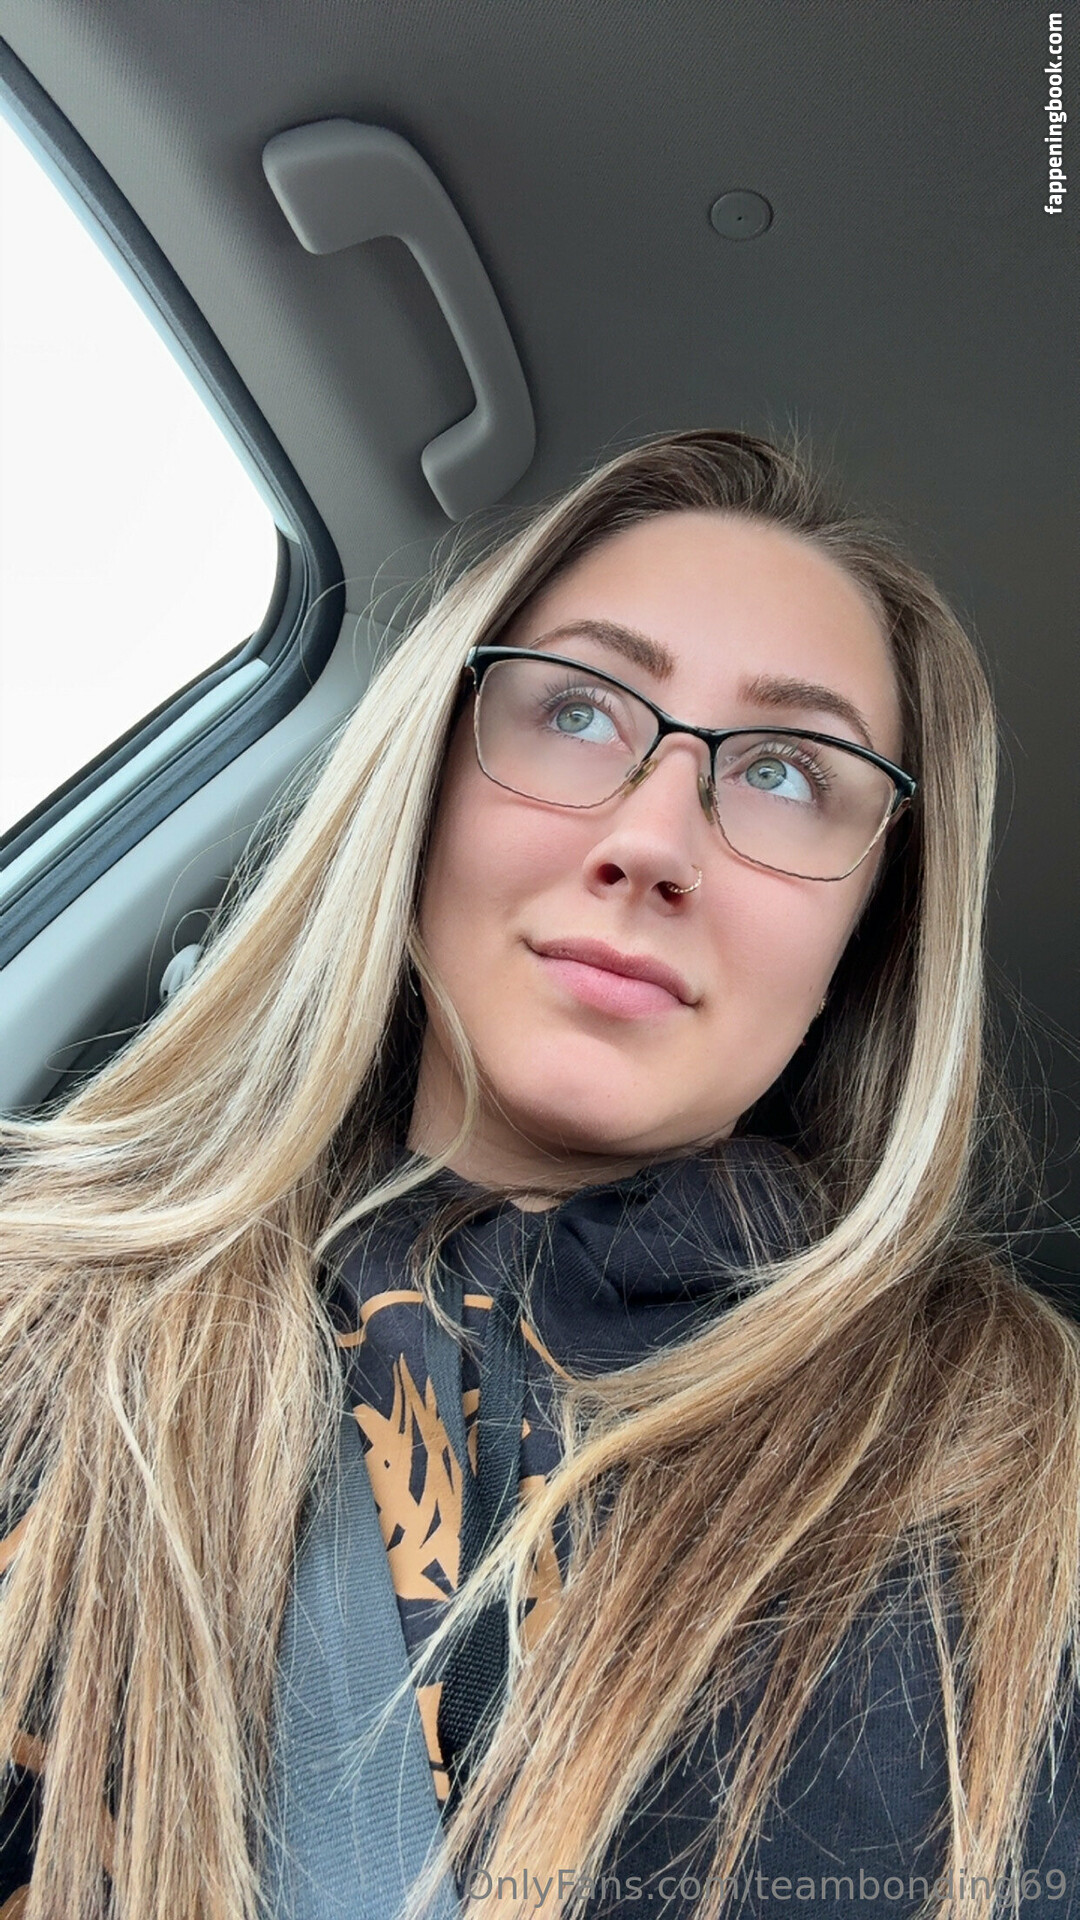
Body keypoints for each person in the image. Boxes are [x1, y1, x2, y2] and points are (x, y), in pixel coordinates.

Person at [0, 428, 1077, 1920]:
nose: (653, 840)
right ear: (425, 783)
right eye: (576, 710)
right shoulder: (41, 1326)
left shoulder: (1026, 1468)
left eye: (785, 771)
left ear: (868, 935)